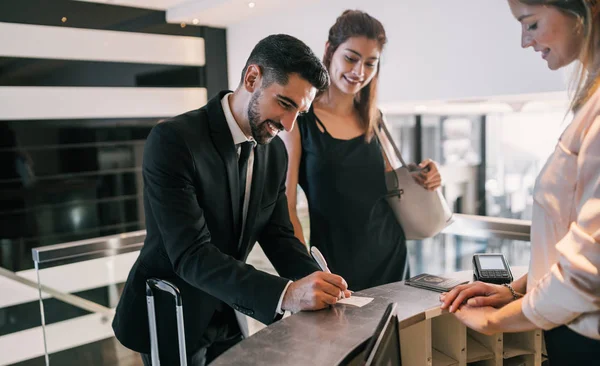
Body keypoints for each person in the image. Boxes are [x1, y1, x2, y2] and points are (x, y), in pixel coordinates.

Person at [112, 34, 351, 366]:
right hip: (174, 313)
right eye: (284, 103)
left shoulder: (275, 153)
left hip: (233, 309)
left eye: (300, 111)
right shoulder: (173, 141)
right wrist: (287, 294)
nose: (288, 124)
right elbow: (191, 255)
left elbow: (279, 235)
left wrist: (317, 284)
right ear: (252, 78)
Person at [440, 1, 600, 364]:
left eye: (531, 24)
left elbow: (590, 268)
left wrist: (496, 320)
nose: (524, 42)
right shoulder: (588, 103)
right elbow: (571, 243)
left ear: (585, 9)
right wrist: (513, 290)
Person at [281, 10, 442, 291]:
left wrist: (427, 176)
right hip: (334, 267)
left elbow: (391, 184)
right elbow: (288, 205)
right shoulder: (300, 120)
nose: (359, 72)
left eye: (370, 63)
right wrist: (305, 271)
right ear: (330, 51)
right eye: (351, 58)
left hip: (391, 257)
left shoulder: (373, 118)